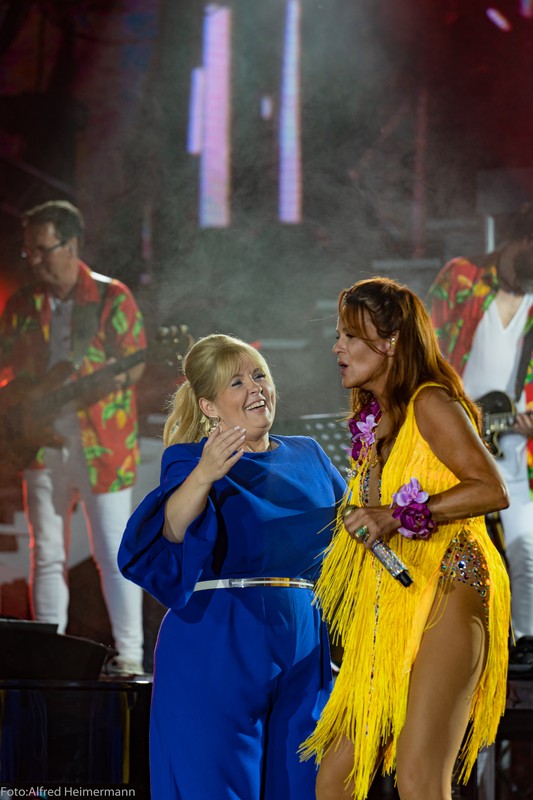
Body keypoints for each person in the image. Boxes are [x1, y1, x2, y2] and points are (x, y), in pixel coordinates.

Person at [300, 277, 511, 800]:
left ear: (390, 342)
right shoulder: (374, 422)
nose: (337, 348)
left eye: (350, 336)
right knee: (335, 781)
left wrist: (394, 516)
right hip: (392, 601)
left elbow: (491, 489)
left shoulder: (430, 402)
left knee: (418, 778)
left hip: (450, 586)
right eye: (338, 335)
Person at [118, 333, 346, 799]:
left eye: (259, 375)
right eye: (236, 383)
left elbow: (354, 532)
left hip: (303, 640)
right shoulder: (190, 460)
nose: (255, 388)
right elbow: (170, 531)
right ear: (209, 406)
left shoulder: (310, 455)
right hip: (218, 639)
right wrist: (205, 474)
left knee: (301, 784)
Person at [0, 199, 146, 676]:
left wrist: (109, 378)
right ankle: (49, 658)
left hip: (101, 444)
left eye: (43, 250)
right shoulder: (23, 304)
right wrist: (19, 402)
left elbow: (136, 362)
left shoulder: (111, 297)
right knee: (47, 552)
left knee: (113, 553)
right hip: (39, 444)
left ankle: (129, 656)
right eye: (29, 251)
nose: (35, 260)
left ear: (71, 244)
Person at [428, 203, 533, 652]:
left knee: (526, 545)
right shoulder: (462, 277)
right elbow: (427, 348)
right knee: (454, 546)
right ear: (523, 240)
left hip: (514, 448)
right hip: (454, 438)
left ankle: (525, 642)